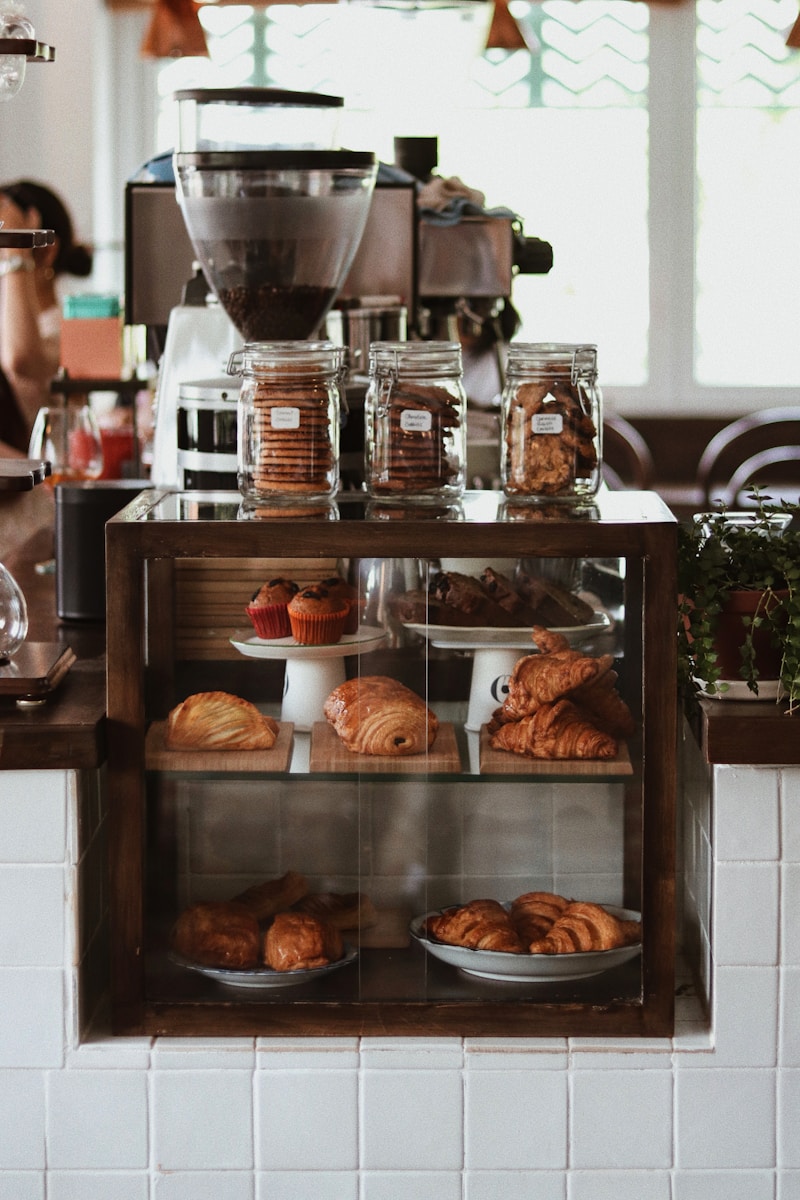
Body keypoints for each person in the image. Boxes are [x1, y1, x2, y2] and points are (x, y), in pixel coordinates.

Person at [0, 180, 93, 454]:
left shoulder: (70, 333)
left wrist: (16, 249)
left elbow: (22, 358)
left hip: (43, 491)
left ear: (47, 252)